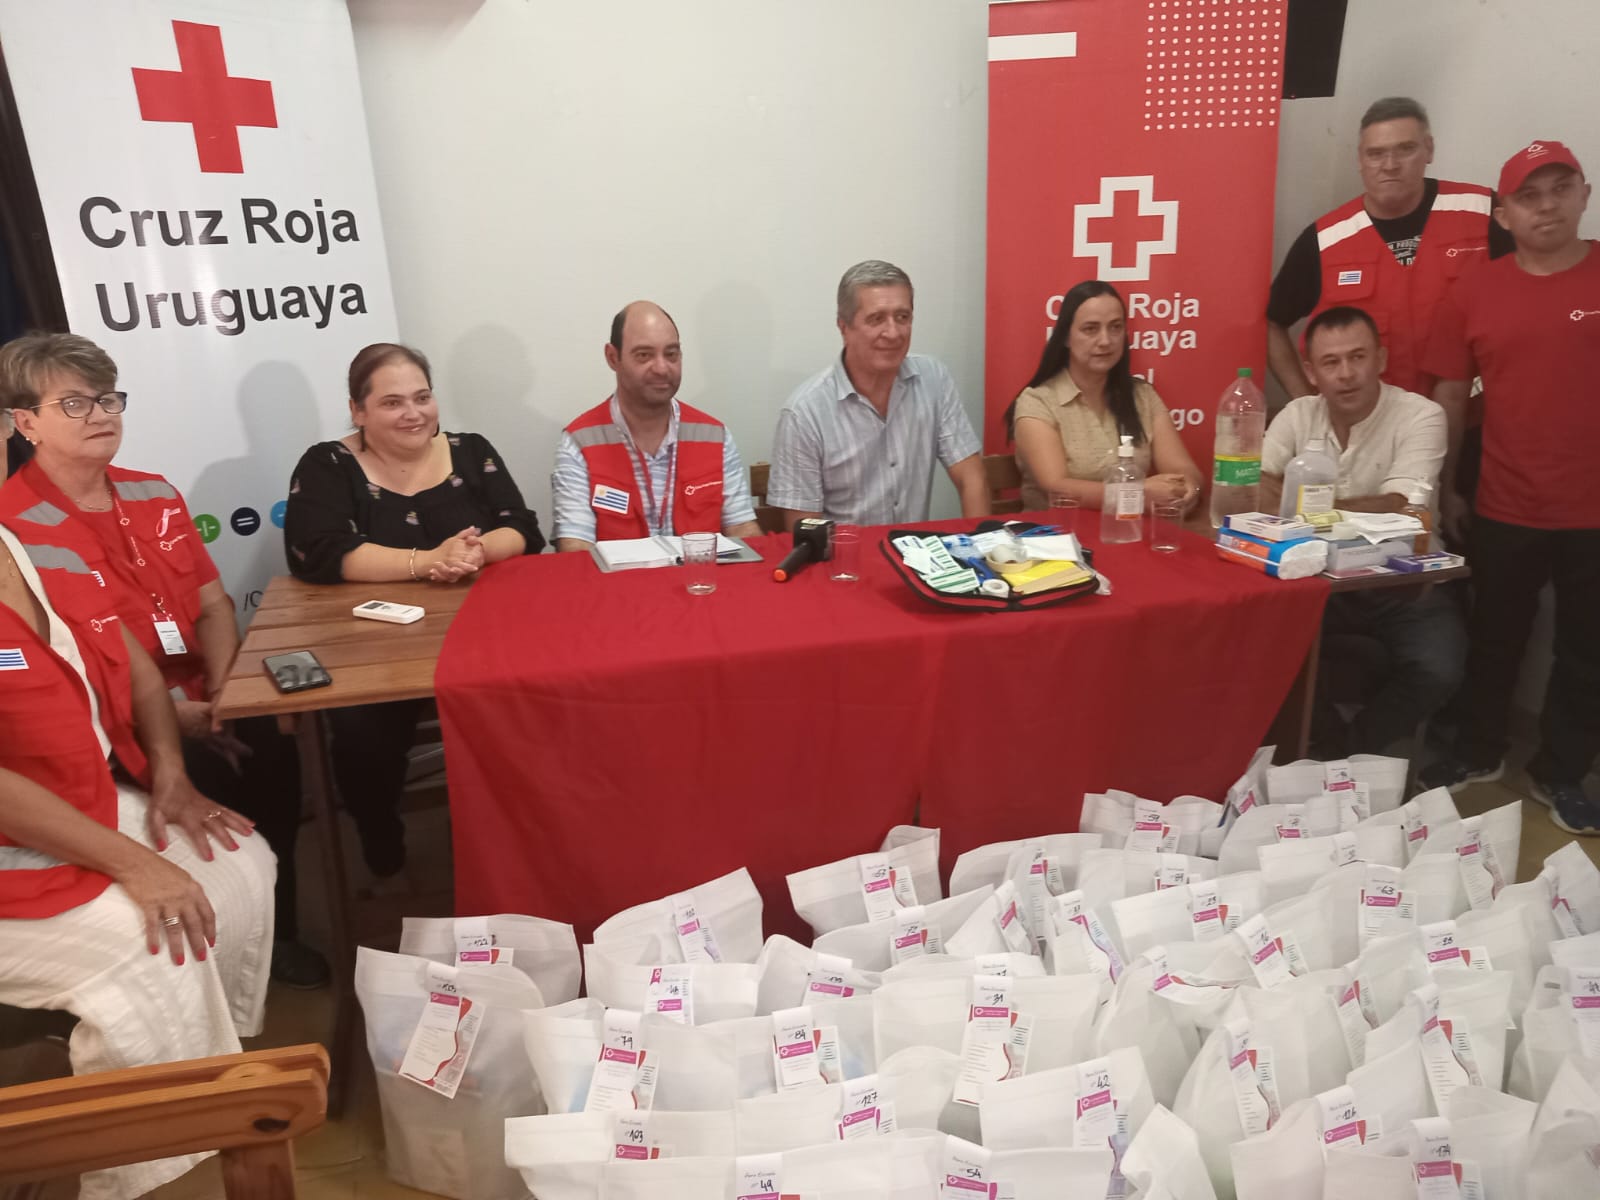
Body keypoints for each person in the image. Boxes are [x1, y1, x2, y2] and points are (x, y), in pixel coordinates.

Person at [0, 332, 323, 988]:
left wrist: (231, 695)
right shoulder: (16, 526)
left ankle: (277, 931)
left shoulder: (153, 491)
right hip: (117, 723)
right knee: (215, 776)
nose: (101, 415)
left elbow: (212, 606)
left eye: (108, 399)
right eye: (75, 404)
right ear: (25, 421)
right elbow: (85, 666)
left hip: (205, 689)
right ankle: (215, 952)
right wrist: (182, 718)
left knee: (272, 745)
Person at [0, 518, 275, 1200]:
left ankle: (213, 1083)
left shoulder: (32, 542)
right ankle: (135, 1175)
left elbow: (135, 669)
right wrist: (136, 864)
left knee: (242, 864)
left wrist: (172, 775)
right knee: (150, 954)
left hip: (73, 799)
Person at [283, 343, 545, 878]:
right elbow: (319, 551)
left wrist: (470, 552)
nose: (413, 413)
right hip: (378, 651)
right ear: (358, 411)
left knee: (546, 700)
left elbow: (522, 528)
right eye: (392, 402)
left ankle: (527, 833)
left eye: (422, 397)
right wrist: (427, 561)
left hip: (485, 638)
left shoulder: (472, 451)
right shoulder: (327, 464)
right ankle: (379, 828)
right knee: (360, 735)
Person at [1420, 140, 1600, 834]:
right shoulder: (1475, 290)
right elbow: (1448, 396)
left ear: (1584, 194)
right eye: (1530, 195)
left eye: (1560, 189)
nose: (1547, 206)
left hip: (1594, 512)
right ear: (1504, 213)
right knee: (1493, 640)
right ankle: (1478, 751)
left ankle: (1560, 772)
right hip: (1504, 502)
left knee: (1587, 652)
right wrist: (1445, 488)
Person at [1259, 306, 1459, 756]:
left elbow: (1403, 509)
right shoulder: (1297, 415)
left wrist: (1301, 505)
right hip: (1313, 582)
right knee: (1262, 648)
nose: (1346, 374)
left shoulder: (1421, 415)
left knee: (1439, 669)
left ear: (1381, 359)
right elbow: (1254, 486)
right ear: (1311, 372)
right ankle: (1329, 746)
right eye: (1331, 362)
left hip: (1405, 582)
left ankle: (1347, 753)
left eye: (1358, 357)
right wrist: (1363, 510)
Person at [1265, 97, 1507, 405]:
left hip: (1476, 421)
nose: (1390, 166)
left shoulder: (1483, 212)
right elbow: (1271, 323)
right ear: (1360, 159)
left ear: (1429, 149)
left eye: (1405, 149)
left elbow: (1536, 297)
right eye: (1376, 154)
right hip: (1371, 432)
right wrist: (1307, 404)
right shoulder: (1326, 240)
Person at [767, 260, 990, 529]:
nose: (893, 332)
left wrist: (982, 548)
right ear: (844, 328)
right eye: (876, 319)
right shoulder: (805, 412)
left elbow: (971, 477)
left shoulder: (933, 379)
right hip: (844, 563)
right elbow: (804, 527)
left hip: (914, 559)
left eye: (902, 317)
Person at [552, 302, 761, 551]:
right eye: (644, 355)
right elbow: (577, 549)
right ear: (612, 357)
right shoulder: (581, 441)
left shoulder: (714, 435)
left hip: (702, 585)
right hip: (617, 588)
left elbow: (741, 530)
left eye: (671, 354)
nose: (662, 368)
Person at [1004, 280, 1202, 511]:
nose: (1106, 340)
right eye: (1091, 329)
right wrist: (1137, 494)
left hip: (1130, 532)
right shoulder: (1037, 401)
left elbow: (1182, 468)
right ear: (1066, 337)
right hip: (1056, 538)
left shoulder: (1142, 395)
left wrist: (1189, 486)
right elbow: (1056, 487)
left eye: (1115, 327)